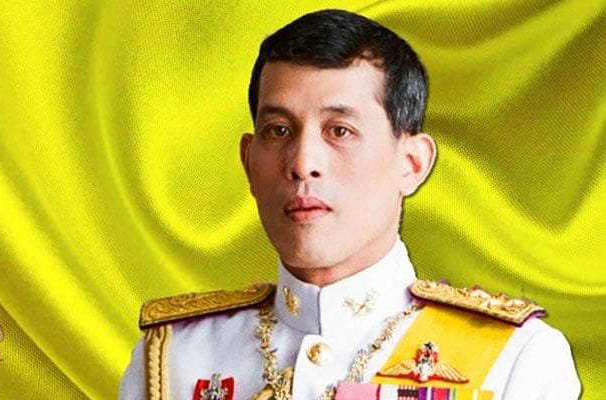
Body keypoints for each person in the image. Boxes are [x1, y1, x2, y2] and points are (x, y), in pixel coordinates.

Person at [120, 9, 580, 400]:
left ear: (412, 163)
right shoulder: (173, 358)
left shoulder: (515, 360)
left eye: (340, 131)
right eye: (279, 130)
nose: (303, 163)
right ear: (248, 161)